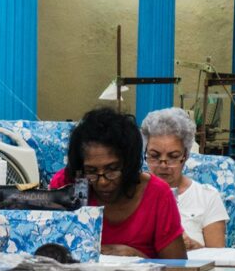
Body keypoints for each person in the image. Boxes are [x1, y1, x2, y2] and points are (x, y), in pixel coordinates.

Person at [50, 107, 186, 259]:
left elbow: (178, 269)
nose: (102, 182)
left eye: (112, 170)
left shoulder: (158, 194)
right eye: (91, 171)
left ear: (129, 165)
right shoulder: (66, 185)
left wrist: (138, 257)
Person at [141, 107, 228, 250]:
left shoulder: (206, 196)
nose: (163, 165)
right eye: (155, 156)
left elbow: (218, 258)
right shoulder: (133, 193)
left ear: (185, 155)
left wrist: (193, 246)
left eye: (173, 156)